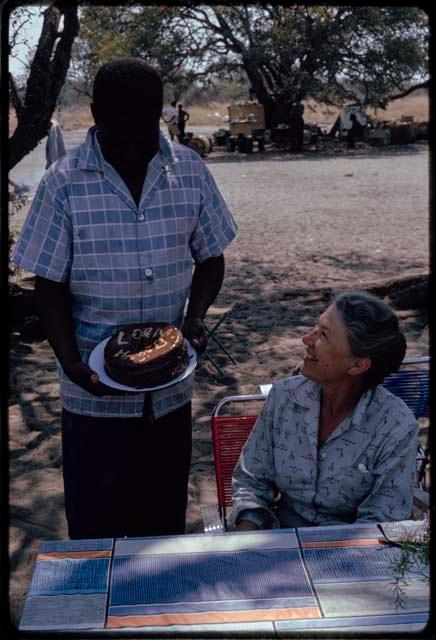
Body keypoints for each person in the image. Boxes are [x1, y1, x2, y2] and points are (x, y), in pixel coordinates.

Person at [12, 58, 237, 540]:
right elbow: (47, 286)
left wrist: (195, 318)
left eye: (146, 120)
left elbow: (211, 257)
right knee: (98, 530)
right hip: (92, 400)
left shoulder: (190, 172)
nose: (136, 139)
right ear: (95, 113)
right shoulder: (63, 183)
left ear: (160, 112)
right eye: (121, 123)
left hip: (170, 394)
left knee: (161, 527)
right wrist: (73, 365)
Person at [229, 291, 418, 531]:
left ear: (358, 365)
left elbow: (381, 520)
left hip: (350, 552)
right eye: (315, 327)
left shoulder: (395, 426)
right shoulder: (284, 398)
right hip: (281, 539)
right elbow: (252, 481)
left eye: (324, 335)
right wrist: (248, 540)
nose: (307, 339)